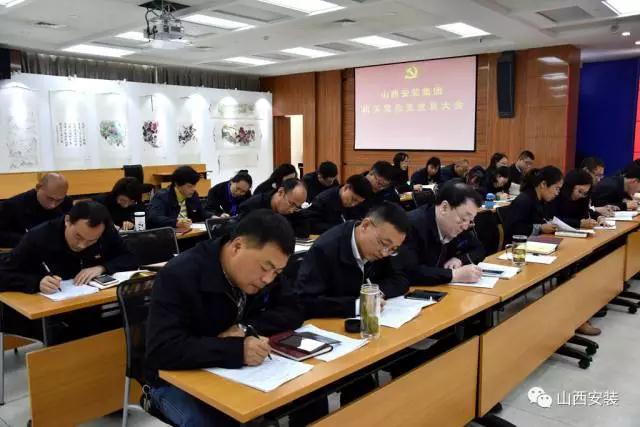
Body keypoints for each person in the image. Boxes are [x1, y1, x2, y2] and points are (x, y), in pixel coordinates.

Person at [145, 210, 302, 427]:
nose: (268, 279)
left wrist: (246, 328)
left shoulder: (266, 272)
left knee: (306, 394)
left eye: (277, 272)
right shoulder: (180, 274)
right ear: (237, 246)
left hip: (233, 373)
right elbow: (162, 350)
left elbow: (293, 311)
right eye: (265, 268)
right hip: (174, 380)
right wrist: (236, 350)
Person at [296, 203, 409, 319]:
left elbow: (401, 279)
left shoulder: (384, 248)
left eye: (393, 249)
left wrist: (374, 294)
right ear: (365, 225)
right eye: (383, 244)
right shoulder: (324, 249)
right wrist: (358, 305)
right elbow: (305, 301)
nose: (384, 253)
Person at [0, 201, 136, 293]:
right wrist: (36, 283)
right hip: (49, 310)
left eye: (92, 240)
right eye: (78, 236)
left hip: (92, 302)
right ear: (67, 221)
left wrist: (102, 267)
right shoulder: (38, 237)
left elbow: (131, 257)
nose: (82, 245)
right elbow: (4, 275)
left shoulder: (106, 231)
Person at [402, 181, 485, 285]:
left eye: (470, 221)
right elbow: (409, 271)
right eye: (463, 219)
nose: (465, 226)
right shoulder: (411, 225)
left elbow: (479, 249)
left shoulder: (458, 225)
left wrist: (459, 260)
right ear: (444, 208)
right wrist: (454, 275)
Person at [0, 173, 72, 247]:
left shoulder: (66, 202)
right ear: (38, 187)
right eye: (50, 198)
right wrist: (30, 239)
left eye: (59, 200)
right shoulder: (12, 205)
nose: (53, 205)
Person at [504, 166, 563, 242]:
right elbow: (517, 230)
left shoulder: (542, 200)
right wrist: (540, 228)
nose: (557, 193)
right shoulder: (524, 200)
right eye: (556, 188)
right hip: (517, 245)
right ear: (543, 184)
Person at [303, 174, 373, 234]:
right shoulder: (323, 200)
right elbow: (311, 225)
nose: (354, 204)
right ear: (346, 188)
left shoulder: (358, 204)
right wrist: (339, 228)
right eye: (353, 199)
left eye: (358, 202)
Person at [239, 178, 309, 237]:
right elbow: (242, 232)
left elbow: (304, 232)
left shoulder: (293, 210)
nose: (292, 210)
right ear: (281, 192)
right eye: (291, 204)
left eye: (297, 207)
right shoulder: (253, 205)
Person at [147, 166, 207, 230]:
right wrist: (176, 223)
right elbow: (154, 218)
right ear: (177, 184)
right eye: (189, 186)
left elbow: (201, 213)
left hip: (191, 232)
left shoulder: (193, 195)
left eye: (194, 185)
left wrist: (212, 216)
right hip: (170, 234)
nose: (193, 189)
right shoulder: (161, 196)